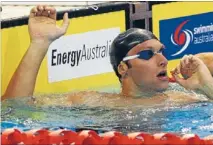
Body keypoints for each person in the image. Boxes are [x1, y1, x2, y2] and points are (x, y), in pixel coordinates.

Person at [1, 5, 213, 107]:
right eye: (148, 54)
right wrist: (39, 44)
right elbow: (14, 108)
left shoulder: (182, 100)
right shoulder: (94, 101)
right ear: (123, 69)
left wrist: (205, 86)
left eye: (162, 52)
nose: (163, 60)